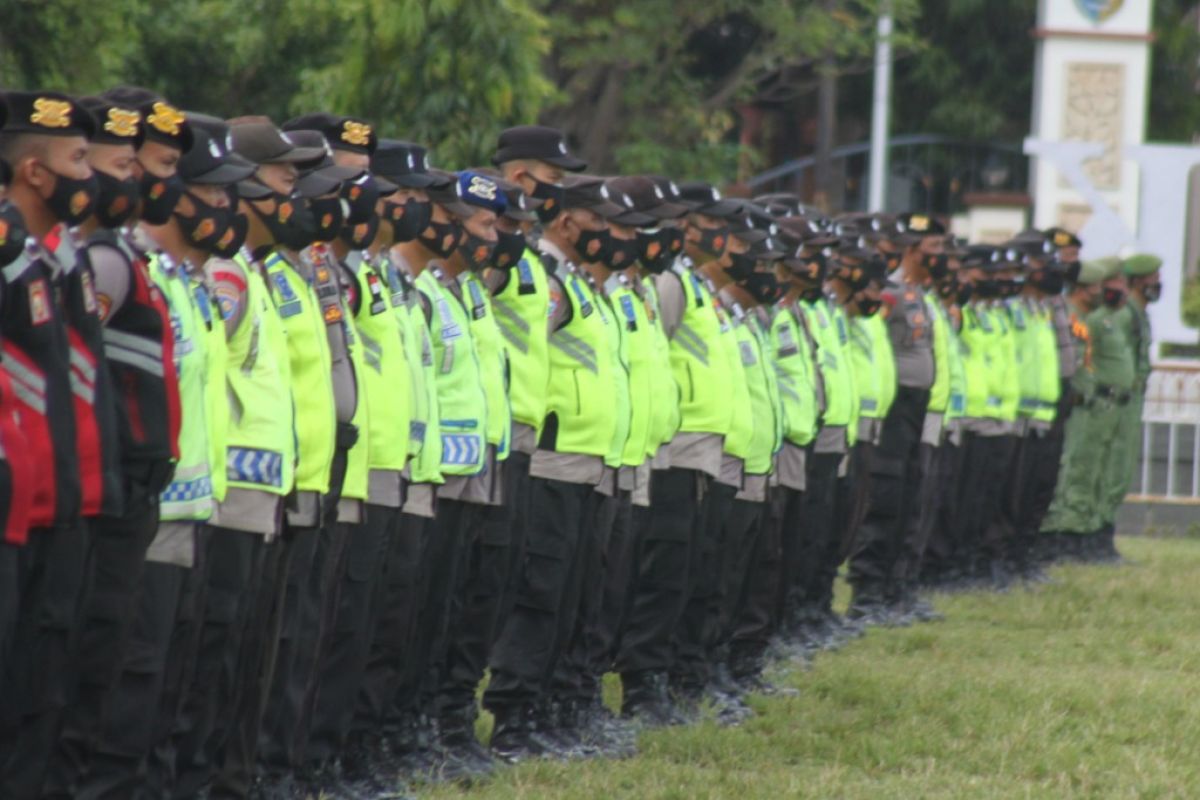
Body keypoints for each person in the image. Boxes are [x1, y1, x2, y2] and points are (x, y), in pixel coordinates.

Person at [47, 92, 183, 798]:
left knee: (111, 653)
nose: (134, 183)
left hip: (129, 485)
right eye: (118, 167)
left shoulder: (120, 256)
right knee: (90, 651)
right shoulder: (97, 263)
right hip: (101, 487)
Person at [484, 174, 623, 762]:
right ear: (567, 223)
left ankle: (545, 711)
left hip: (588, 459)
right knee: (540, 594)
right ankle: (514, 718)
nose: (612, 237)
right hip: (552, 459)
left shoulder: (575, 284)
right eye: (600, 225)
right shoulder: (543, 279)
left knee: (569, 594)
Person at [0, 90, 100, 799]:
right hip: (13, 509)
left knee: (41, 686)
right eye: (78, 159)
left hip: (52, 507)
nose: (90, 176)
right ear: (35, 171)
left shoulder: (44, 260)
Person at [613, 180, 739, 725]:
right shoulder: (664, 283)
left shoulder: (687, 280)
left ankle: (668, 679)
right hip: (671, 451)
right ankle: (642, 687)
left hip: (698, 449)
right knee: (660, 575)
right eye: (697, 220)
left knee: (686, 575)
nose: (704, 231)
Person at [845, 212, 941, 622]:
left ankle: (893, 589)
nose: (941, 255)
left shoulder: (916, 293)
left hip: (917, 406)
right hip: (892, 408)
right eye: (932, 248)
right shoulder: (885, 294)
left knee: (908, 496)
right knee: (884, 499)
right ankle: (868, 593)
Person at [1041, 258, 1125, 559]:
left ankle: (1076, 534)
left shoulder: (1083, 316)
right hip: (1072, 405)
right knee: (1069, 469)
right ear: (1082, 289)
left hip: (1086, 403)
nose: (1102, 293)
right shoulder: (1071, 316)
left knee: (1082, 469)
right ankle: (1058, 537)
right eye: (1097, 287)